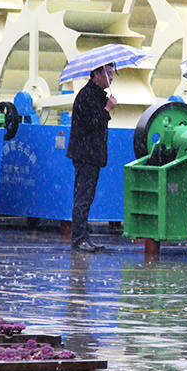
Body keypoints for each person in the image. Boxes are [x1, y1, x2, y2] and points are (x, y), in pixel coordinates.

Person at [66, 63, 117, 252]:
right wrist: (107, 109)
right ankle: (79, 238)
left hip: (91, 154)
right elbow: (92, 123)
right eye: (109, 74)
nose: (111, 78)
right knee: (83, 197)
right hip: (85, 154)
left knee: (86, 196)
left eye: (113, 74)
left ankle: (83, 236)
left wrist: (105, 107)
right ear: (97, 74)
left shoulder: (95, 95)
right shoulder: (87, 95)